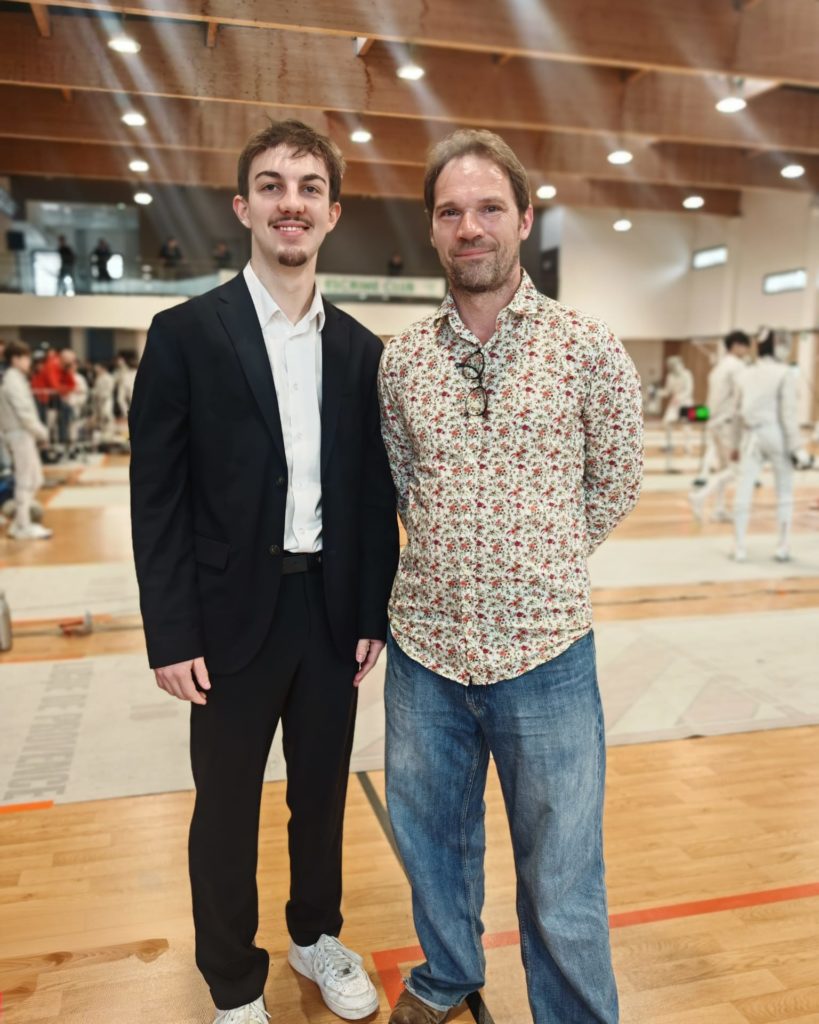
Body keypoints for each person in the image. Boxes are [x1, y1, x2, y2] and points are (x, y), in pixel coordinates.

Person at [129, 119, 398, 1024]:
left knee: (320, 796)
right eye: (274, 186)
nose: (292, 202)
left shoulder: (360, 350)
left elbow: (369, 496)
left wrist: (370, 612)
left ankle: (315, 936)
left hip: (327, 612)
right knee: (226, 810)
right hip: (225, 618)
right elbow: (156, 499)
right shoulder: (184, 334)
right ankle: (233, 984)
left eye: (310, 187)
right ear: (244, 207)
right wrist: (171, 632)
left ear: (331, 212)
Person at [377, 129, 643, 1024]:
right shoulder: (402, 361)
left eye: (489, 207)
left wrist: (540, 559)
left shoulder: (587, 347)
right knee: (431, 845)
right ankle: (447, 973)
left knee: (562, 869)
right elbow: (403, 481)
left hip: (547, 652)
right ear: (432, 228)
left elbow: (615, 479)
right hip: (426, 651)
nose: (470, 227)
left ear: (524, 219)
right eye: (451, 211)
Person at [731, 329, 800, 563]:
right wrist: (796, 448)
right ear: (778, 347)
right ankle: (783, 546)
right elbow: (788, 415)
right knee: (785, 492)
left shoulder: (744, 374)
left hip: (750, 437)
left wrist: (734, 444)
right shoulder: (785, 373)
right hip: (776, 434)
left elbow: (737, 413)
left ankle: (739, 546)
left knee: (743, 489)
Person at [689, 330, 751, 523]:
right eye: (745, 346)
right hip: (728, 424)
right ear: (736, 345)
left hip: (715, 422)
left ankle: (719, 508)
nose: (747, 350)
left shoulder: (720, 366)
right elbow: (742, 397)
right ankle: (699, 497)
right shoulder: (737, 367)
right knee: (735, 470)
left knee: (724, 468)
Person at [0, 341, 52, 539]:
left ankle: (20, 523)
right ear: (15, 359)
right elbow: (25, 414)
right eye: (26, 357)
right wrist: (41, 432)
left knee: (36, 479)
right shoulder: (12, 381)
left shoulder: (16, 378)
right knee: (25, 481)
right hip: (19, 434)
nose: (29, 361)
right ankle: (23, 526)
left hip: (24, 434)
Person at [660, 354, 694, 454]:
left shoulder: (687, 374)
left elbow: (689, 390)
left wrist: (679, 398)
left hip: (686, 403)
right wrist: (658, 393)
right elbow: (667, 391)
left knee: (686, 425)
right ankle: (670, 444)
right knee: (666, 422)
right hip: (674, 404)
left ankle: (687, 446)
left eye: (678, 365)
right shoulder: (670, 376)